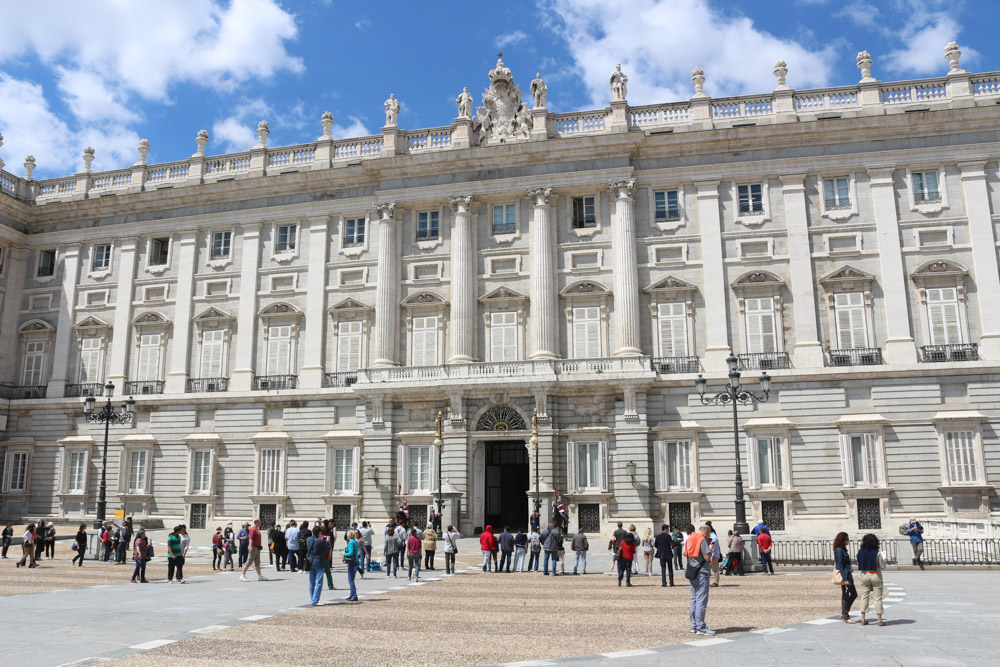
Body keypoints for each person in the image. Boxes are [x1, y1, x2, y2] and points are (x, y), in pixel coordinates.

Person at [686, 525, 714, 635]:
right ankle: (701, 627)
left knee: (694, 599)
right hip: (702, 571)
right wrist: (710, 549)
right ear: (705, 532)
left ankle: (694, 625)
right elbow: (707, 557)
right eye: (709, 533)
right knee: (701, 599)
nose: (710, 535)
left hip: (693, 571)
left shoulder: (690, 538)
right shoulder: (701, 540)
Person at [856, 533, 886, 626]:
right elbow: (882, 566)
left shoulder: (860, 552)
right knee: (878, 597)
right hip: (876, 574)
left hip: (864, 574)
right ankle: (879, 620)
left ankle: (863, 619)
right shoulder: (877, 552)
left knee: (864, 596)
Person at [833, 532, 858, 623]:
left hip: (848, 573)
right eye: (847, 539)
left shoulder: (843, 549)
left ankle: (844, 612)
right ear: (843, 540)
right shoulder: (839, 550)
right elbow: (840, 565)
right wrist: (845, 578)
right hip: (845, 575)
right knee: (846, 595)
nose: (848, 541)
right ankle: (846, 616)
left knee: (854, 594)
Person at [305, 525, 331, 606]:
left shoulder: (308, 539)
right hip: (319, 561)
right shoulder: (320, 540)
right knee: (319, 582)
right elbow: (328, 548)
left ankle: (312, 598)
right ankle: (315, 600)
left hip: (311, 561)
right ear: (319, 532)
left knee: (311, 581)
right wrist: (328, 541)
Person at [343, 530, 360, 601]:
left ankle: (354, 595)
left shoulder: (350, 543)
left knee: (350, 580)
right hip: (356, 561)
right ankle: (352, 594)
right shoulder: (355, 542)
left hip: (352, 562)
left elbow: (350, 553)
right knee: (352, 579)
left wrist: (343, 553)